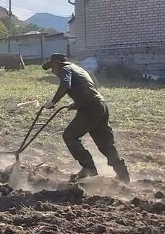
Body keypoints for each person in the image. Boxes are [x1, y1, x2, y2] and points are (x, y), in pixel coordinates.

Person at [41, 53, 131, 183]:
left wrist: (52, 102)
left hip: (90, 109)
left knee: (69, 136)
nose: (52, 71)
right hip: (100, 106)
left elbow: (65, 85)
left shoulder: (66, 69)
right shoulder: (79, 69)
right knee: (105, 144)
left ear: (56, 64)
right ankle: (123, 174)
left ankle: (88, 167)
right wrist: (77, 103)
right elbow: (89, 89)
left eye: (52, 67)